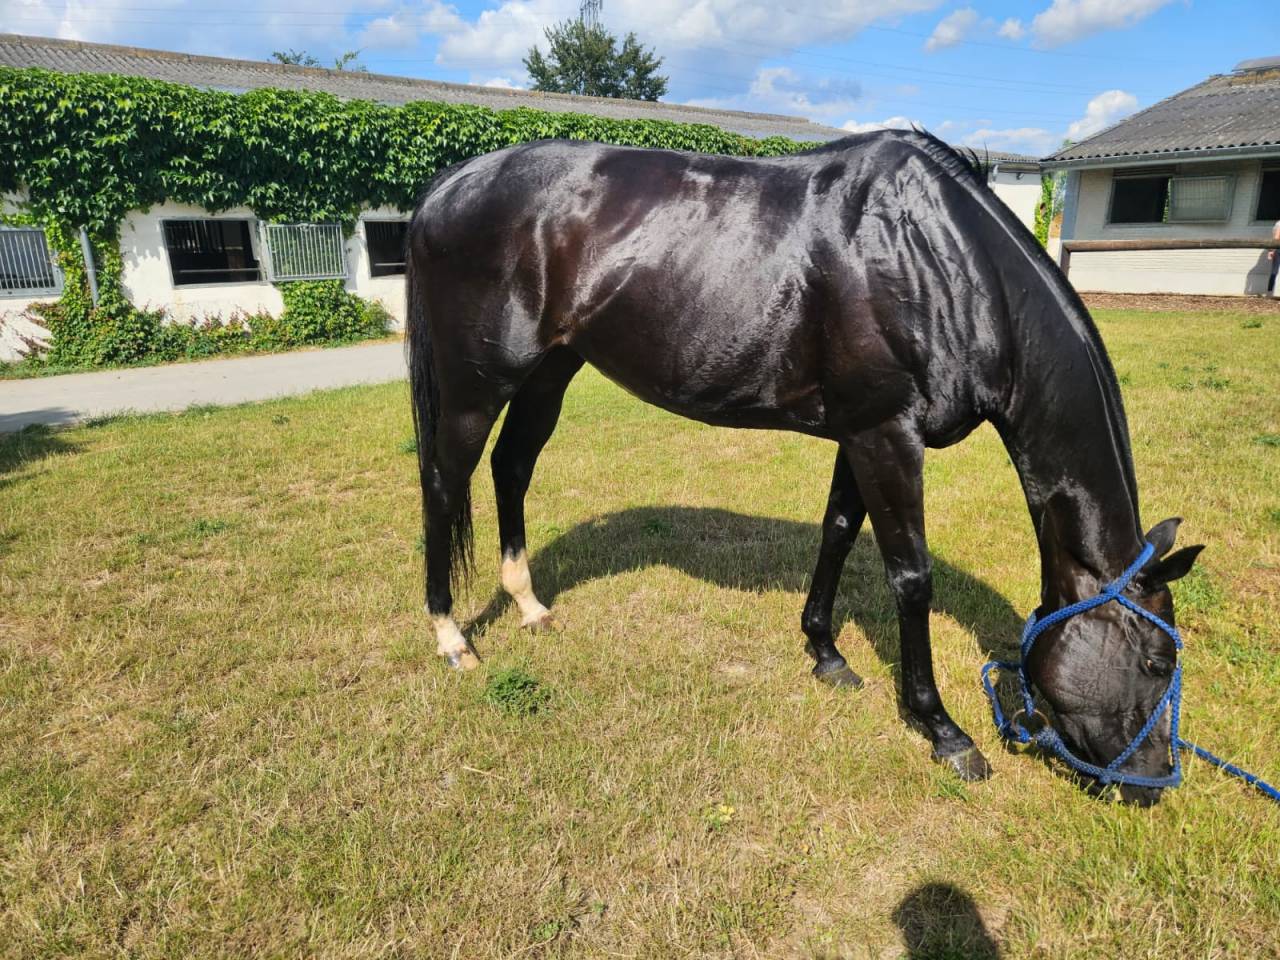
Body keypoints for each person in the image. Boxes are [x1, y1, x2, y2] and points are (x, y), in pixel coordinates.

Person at [1269, 218, 1280, 296]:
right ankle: (1272, 291)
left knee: (1274, 270)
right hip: (1278, 248)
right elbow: (1277, 237)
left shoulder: (1277, 223)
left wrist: (1271, 250)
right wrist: (1272, 250)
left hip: (1276, 248)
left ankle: (1270, 292)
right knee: (1275, 271)